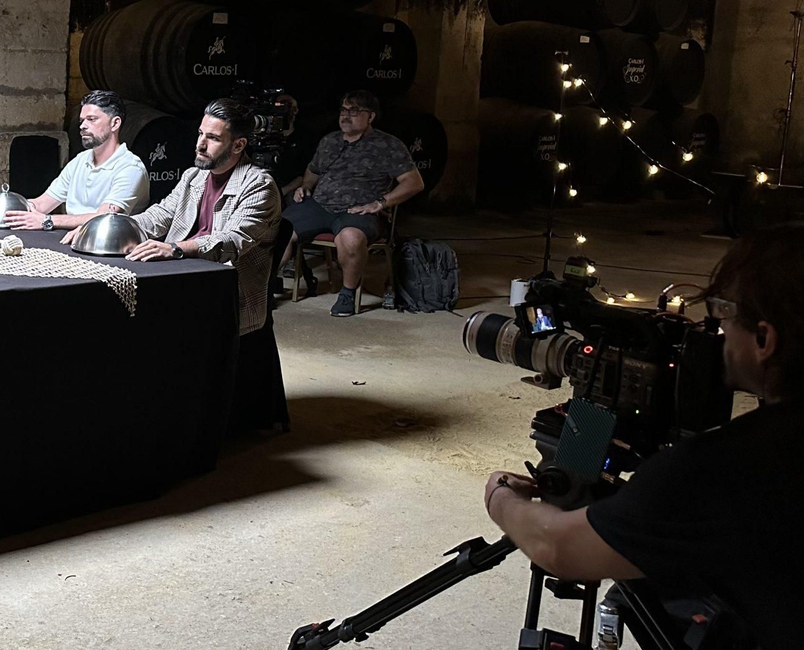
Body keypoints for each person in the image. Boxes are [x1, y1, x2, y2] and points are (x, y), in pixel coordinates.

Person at [483, 227, 804, 650]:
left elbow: (558, 547)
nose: (719, 336)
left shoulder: (723, 466)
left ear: (764, 340)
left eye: (723, 317)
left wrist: (501, 497)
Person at [114, 97, 288, 430]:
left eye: (213, 137)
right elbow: (160, 215)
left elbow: (233, 240)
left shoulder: (259, 185)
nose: (201, 144)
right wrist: (113, 227)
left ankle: (169, 417)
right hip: (184, 278)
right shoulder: (194, 176)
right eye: (200, 134)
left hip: (226, 291)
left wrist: (175, 248)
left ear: (238, 145)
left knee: (143, 324)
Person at [276, 90, 424, 317]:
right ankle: (264, 288)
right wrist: (305, 186)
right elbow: (313, 171)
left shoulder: (388, 145)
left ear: (370, 116)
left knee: (351, 239)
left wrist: (380, 203)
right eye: (343, 110)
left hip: (359, 210)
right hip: (320, 205)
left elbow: (414, 183)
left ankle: (347, 293)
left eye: (354, 111)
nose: (346, 116)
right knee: (278, 230)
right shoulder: (330, 141)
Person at [3, 90, 149, 233]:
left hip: (107, 244)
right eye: (82, 120)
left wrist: (47, 220)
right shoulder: (81, 160)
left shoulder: (130, 168)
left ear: (115, 123)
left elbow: (105, 217)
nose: (82, 126)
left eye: (91, 119)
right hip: (70, 238)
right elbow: (43, 203)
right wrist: (11, 209)